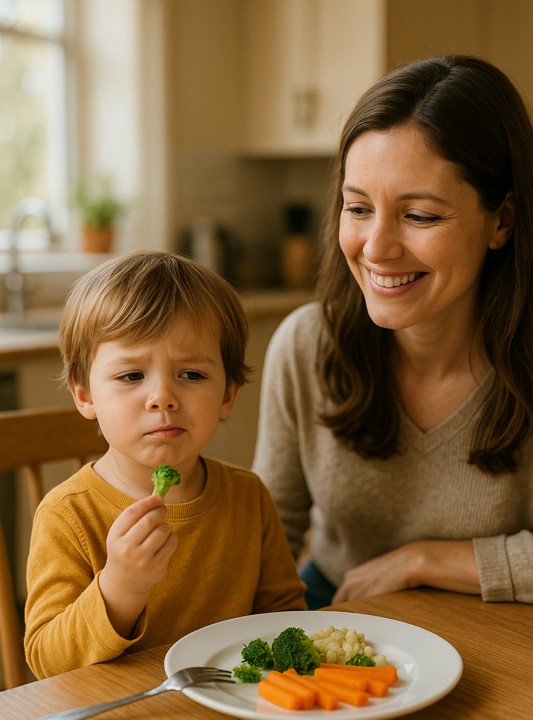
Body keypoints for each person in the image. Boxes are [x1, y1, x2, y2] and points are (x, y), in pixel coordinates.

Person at [252, 54, 533, 609]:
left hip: (500, 626)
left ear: (501, 220)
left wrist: (423, 560)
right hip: (339, 609)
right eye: (358, 208)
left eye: (420, 216)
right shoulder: (306, 345)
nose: (376, 249)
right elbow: (267, 543)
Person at [25, 251, 306, 678]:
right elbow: (47, 662)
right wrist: (121, 585)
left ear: (228, 395)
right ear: (85, 395)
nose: (163, 397)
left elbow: (285, 615)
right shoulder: (68, 515)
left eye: (191, 375)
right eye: (131, 376)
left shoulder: (248, 496)